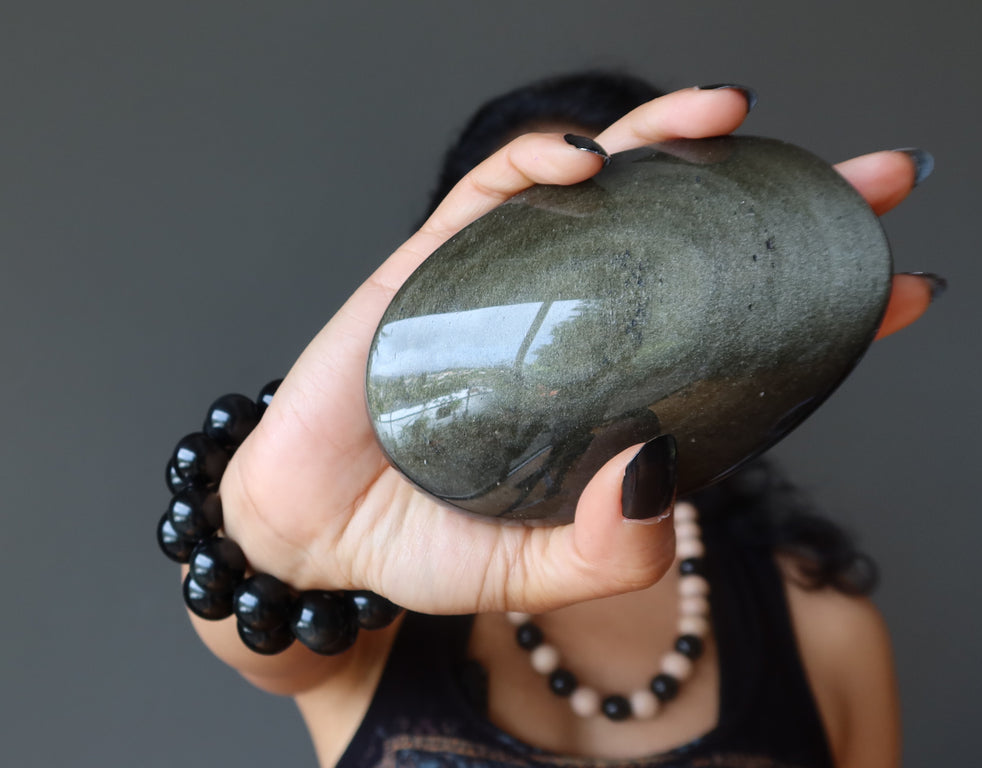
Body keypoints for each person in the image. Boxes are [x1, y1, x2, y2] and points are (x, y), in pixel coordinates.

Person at [181, 72, 940, 768]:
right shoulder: (368, 588)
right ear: (446, 289)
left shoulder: (825, 632)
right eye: (543, 253)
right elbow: (259, 635)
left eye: (644, 250)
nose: (600, 314)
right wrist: (283, 542)